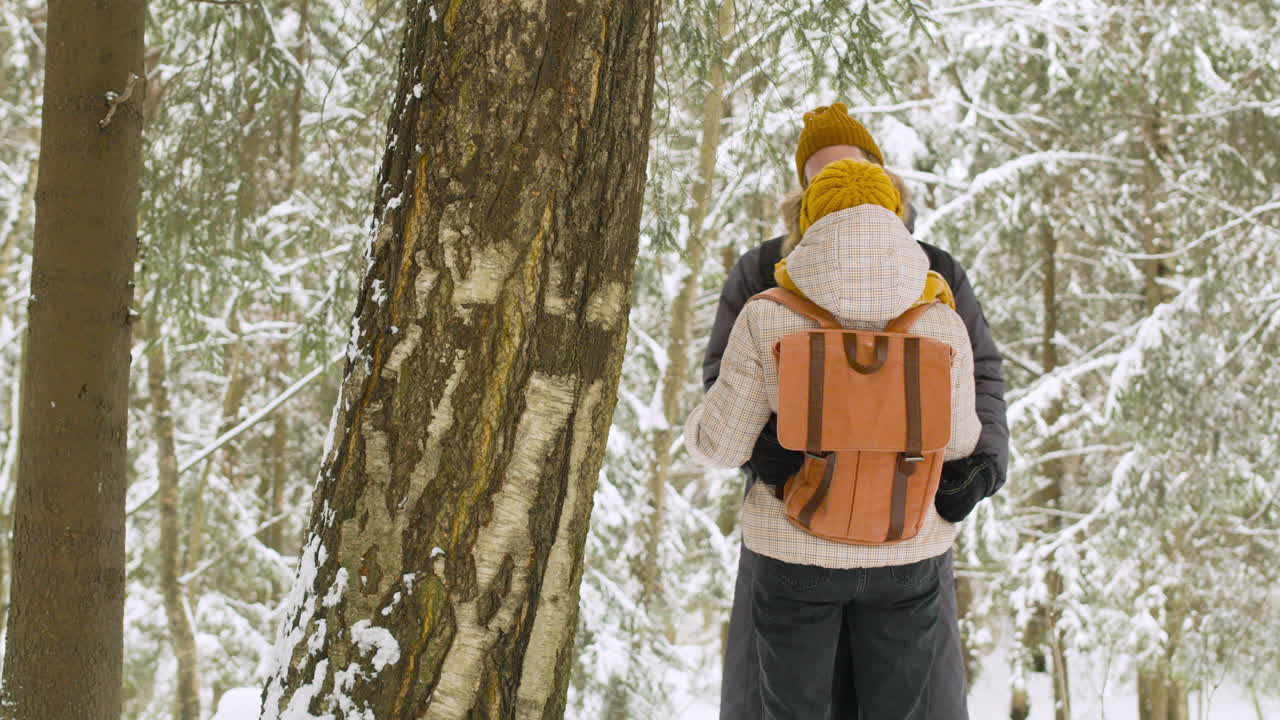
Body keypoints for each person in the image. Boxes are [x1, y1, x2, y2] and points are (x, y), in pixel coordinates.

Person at [701, 103, 1010, 720]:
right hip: (808, 515)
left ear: (882, 178)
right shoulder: (762, 273)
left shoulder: (937, 273)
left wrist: (983, 470)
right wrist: (770, 451)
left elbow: (980, 377)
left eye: (851, 166)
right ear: (804, 193)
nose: (836, 179)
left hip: (893, 523)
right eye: (819, 173)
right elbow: (723, 379)